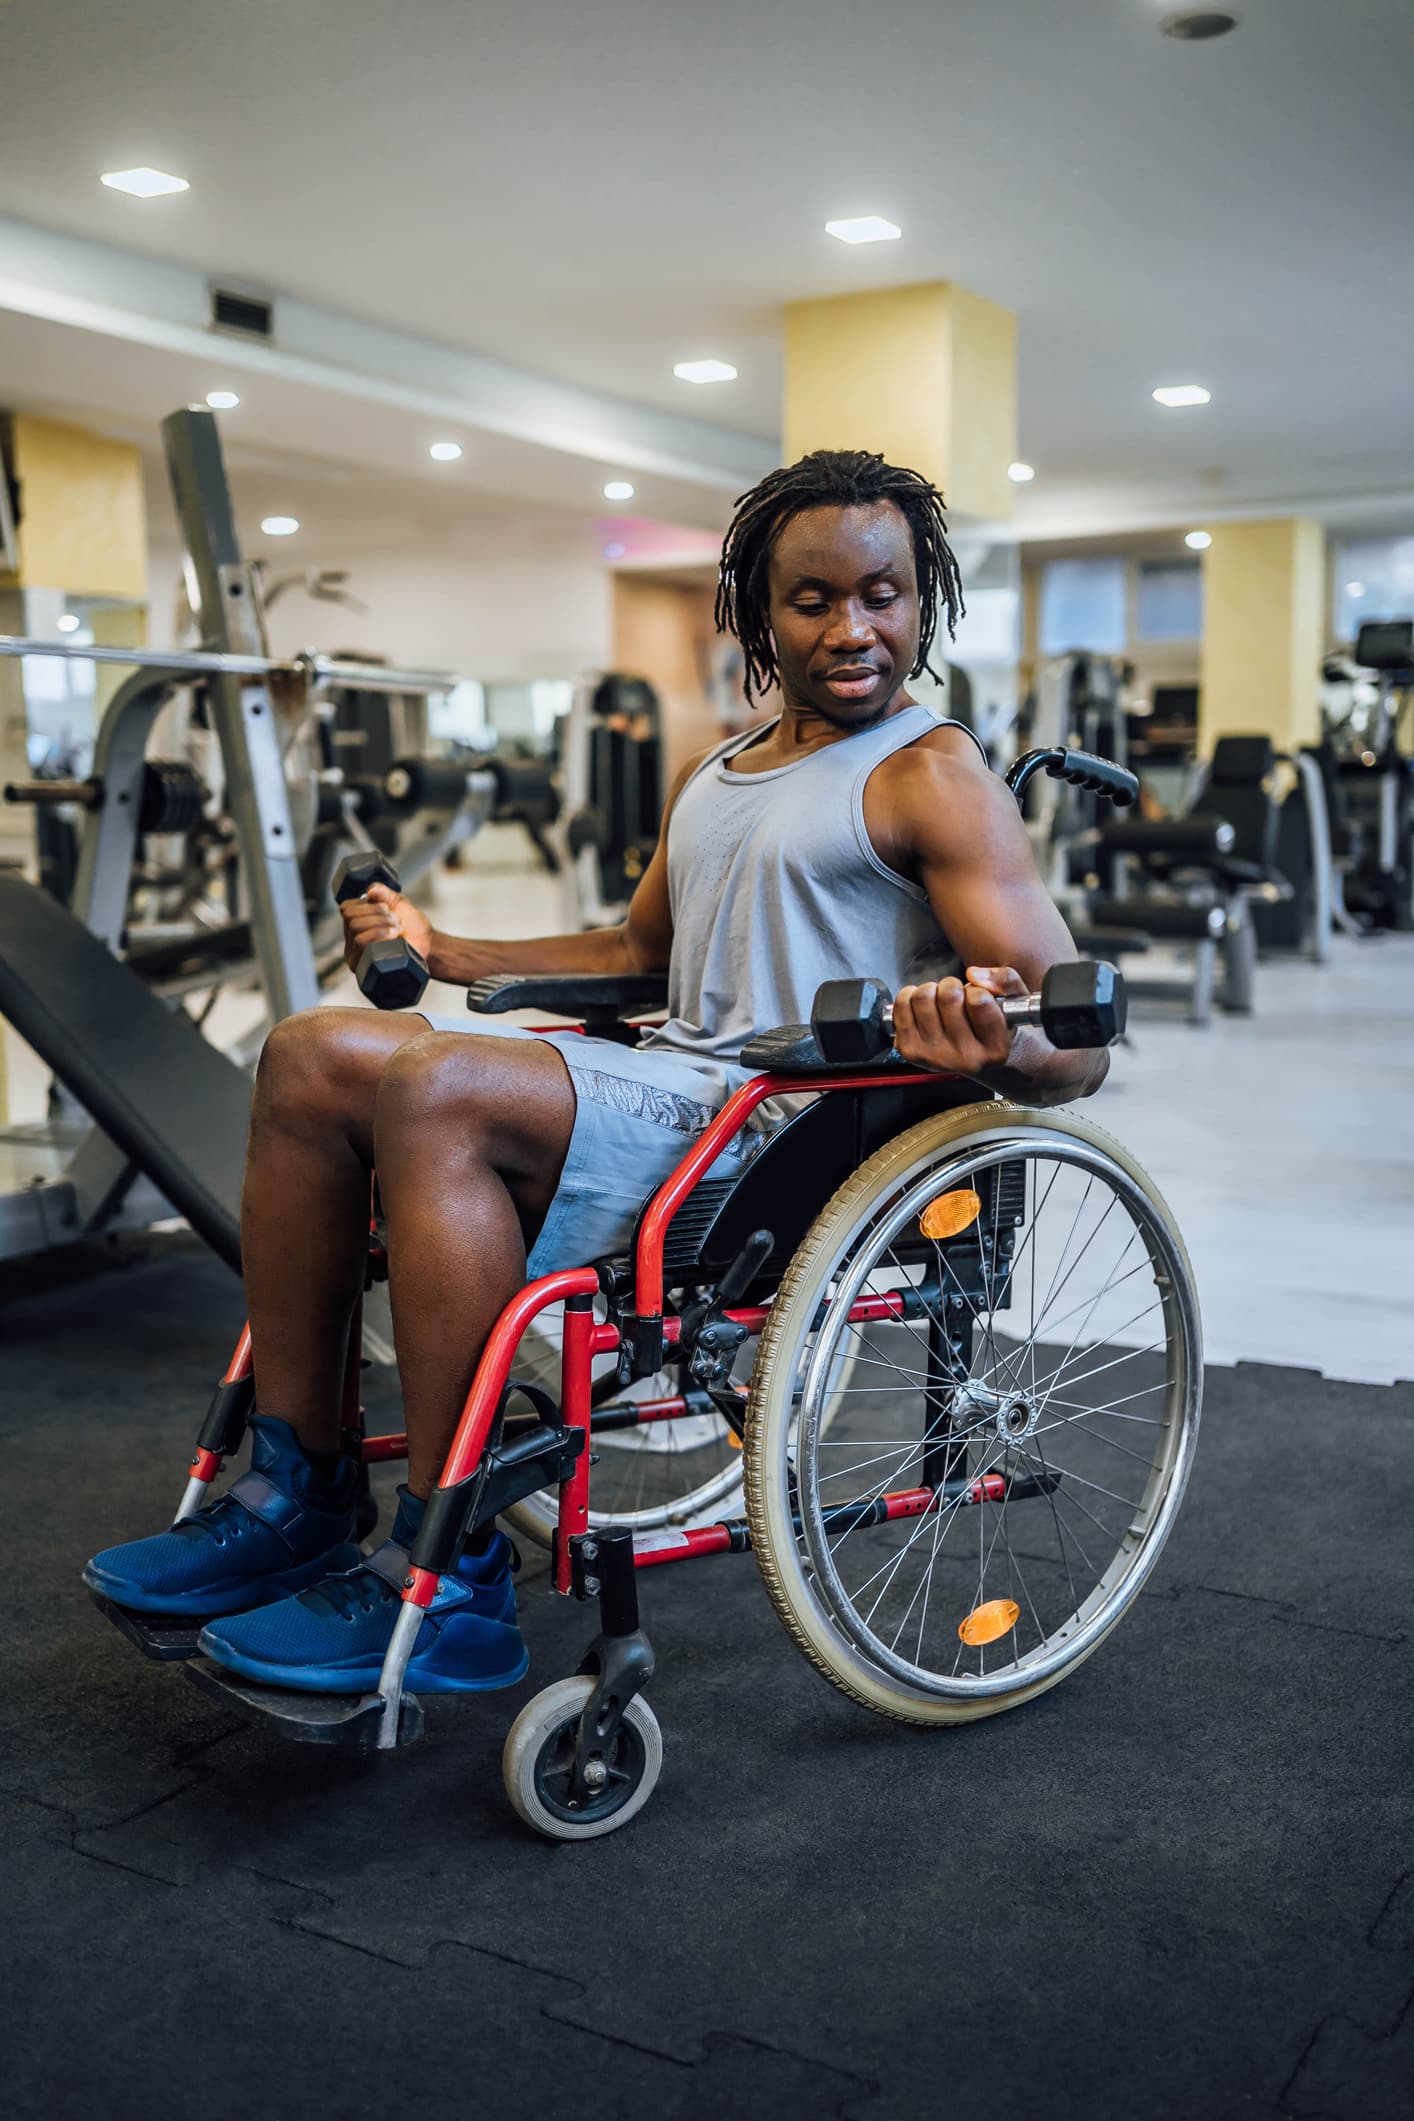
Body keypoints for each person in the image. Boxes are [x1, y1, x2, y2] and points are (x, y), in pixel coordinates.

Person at [84, 448, 1107, 1694]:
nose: (853, 629)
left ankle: (446, 1571)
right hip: (671, 1091)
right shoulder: (721, 772)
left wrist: (995, 1038)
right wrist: (444, 948)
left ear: (922, 598)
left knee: (433, 1086)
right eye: (813, 599)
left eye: (883, 595)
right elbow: (638, 955)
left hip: (775, 1138)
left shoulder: (928, 775)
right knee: (305, 1054)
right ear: (755, 615)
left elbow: (1073, 1041)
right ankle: (298, 1491)